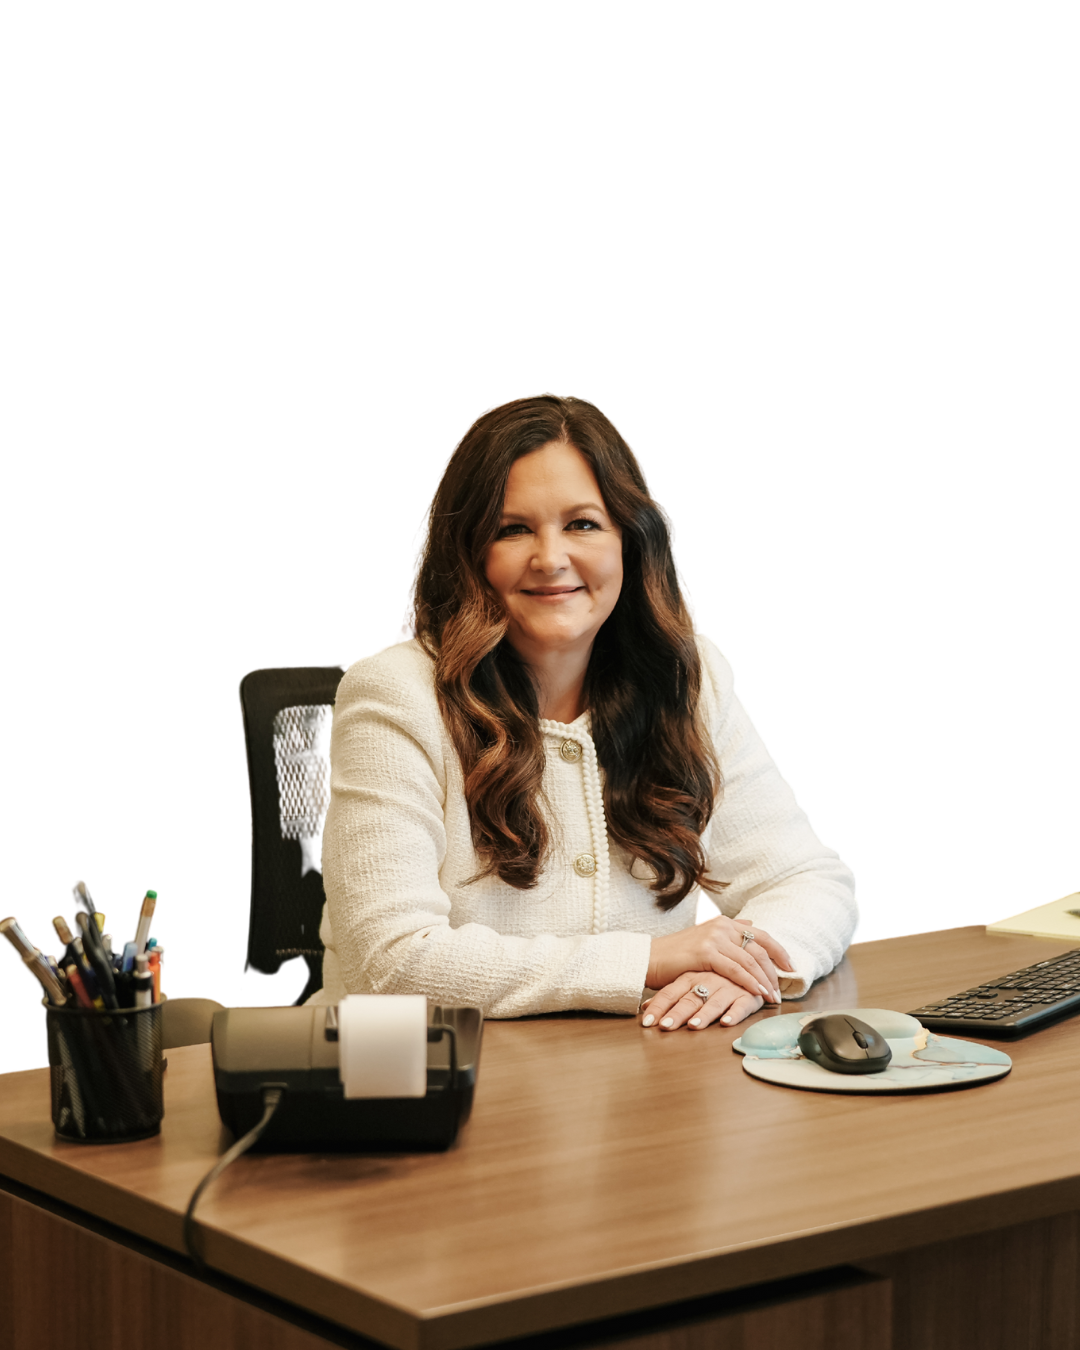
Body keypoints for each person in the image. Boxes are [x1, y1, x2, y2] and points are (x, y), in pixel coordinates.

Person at [305, 393, 858, 1031]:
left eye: (583, 524)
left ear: (630, 539)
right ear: (469, 552)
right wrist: (647, 962)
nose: (551, 558)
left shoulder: (687, 675)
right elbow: (393, 962)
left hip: (639, 1079)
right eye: (513, 529)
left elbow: (810, 879)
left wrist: (740, 966)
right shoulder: (396, 693)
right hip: (426, 1086)